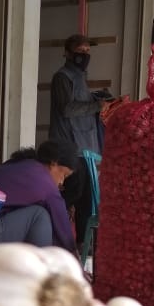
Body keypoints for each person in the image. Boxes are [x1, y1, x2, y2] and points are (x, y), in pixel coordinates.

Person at [49, 34, 110, 246]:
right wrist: (96, 106)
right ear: (67, 53)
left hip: (84, 150)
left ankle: (83, 246)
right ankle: (49, 227)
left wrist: (100, 101)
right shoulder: (62, 77)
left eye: (87, 52)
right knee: (73, 194)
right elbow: (66, 108)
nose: (84, 56)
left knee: (85, 201)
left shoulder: (80, 78)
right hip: (69, 149)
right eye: (79, 51)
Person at [0, 140, 80, 253]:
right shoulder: (43, 180)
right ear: (54, 162)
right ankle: (41, 268)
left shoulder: (22, 164)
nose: (61, 182)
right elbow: (62, 224)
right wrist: (74, 257)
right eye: (64, 175)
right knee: (39, 215)